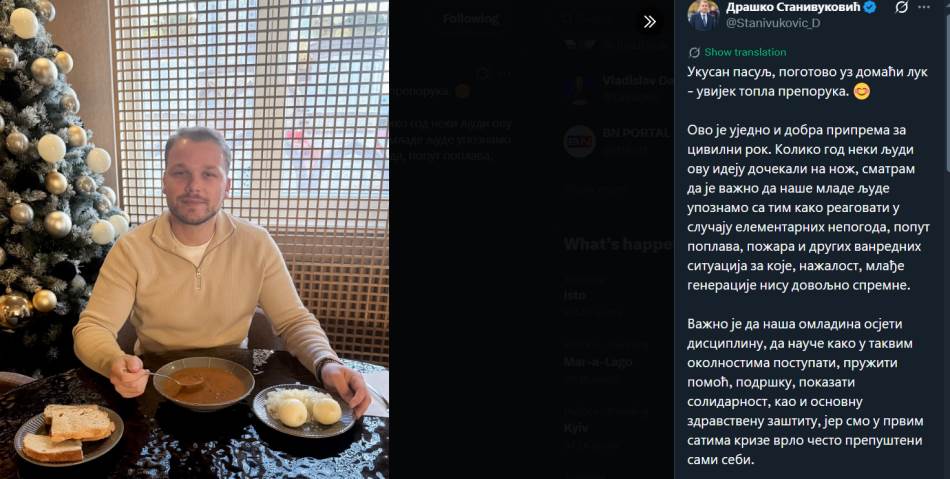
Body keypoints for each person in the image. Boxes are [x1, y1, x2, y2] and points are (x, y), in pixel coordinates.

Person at [72, 127, 372, 418]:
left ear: (227, 185)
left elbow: (293, 321)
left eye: (209, 174)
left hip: (237, 389)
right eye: (180, 173)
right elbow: (92, 328)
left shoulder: (256, 244)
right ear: (164, 181)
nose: (194, 186)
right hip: (156, 389)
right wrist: (113, 361)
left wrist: (327, 363)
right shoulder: (131, 248)